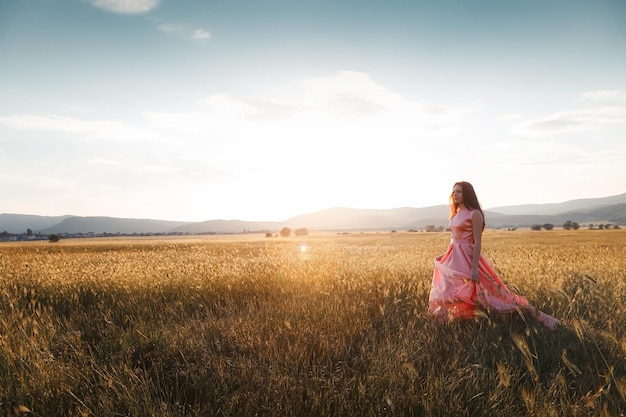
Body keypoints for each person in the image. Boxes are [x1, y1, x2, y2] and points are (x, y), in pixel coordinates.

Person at [428, 181, 559, 329]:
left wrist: (474, 268)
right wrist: (447, 254)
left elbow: (477, 242)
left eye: (459, 191)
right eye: (454, 192)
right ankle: (457, 321)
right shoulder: (455, 214)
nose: (455, 194)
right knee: (449, 289)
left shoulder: (474, 213)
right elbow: (455, 238)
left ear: (467, 194)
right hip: (454, 256)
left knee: (493, 294)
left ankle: (535, 319)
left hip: (468, 257)